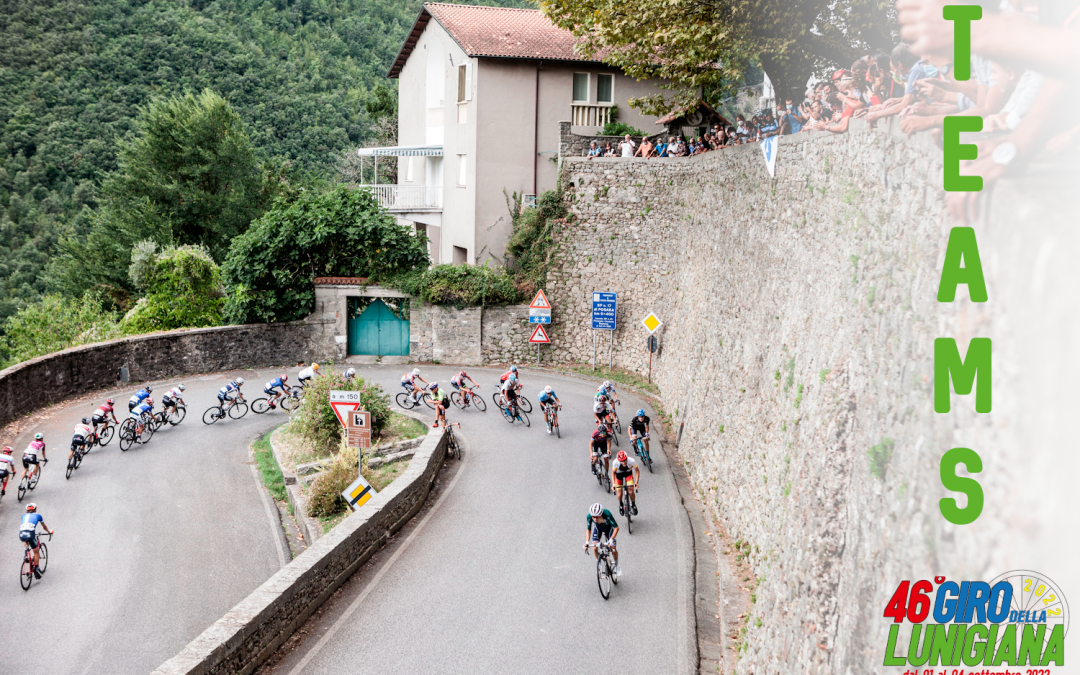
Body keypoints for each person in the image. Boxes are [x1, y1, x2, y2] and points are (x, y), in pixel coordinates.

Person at [584, 502, 621, 578]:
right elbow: (588, 529)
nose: (594, 519)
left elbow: (616, 528)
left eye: (597, 517)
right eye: (593, 517)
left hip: (609, 529)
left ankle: (617, 565)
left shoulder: (607, 514)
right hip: (598, 528)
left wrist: (611, 540)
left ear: (601, 514)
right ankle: (600, 562)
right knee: (594, 548)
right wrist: (587, 542)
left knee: (613, 548)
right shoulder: (589, 516)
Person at [20, 504, 54, 578]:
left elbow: (25, 526)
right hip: (31, 534)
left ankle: (26, 554)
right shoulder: (38, 516)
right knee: (36, 551)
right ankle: (36, 570)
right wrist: (48, 531)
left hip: (21, 534)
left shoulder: (23, 516)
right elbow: (44, 526)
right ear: (35, 509)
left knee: (26, 540)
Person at [611, 450, 640, 516]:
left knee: (630, 491)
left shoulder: (631, 461)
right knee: (619, 494)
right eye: (621, 461)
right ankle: (621, 504)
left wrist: (636, 482)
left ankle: (633, 504)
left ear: (627, 458)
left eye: (625, 460)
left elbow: (637, 471)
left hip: (628, 474)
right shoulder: (615, 462)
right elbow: (613, 473)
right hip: (618, 475)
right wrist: (613, 484)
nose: (623, 463)